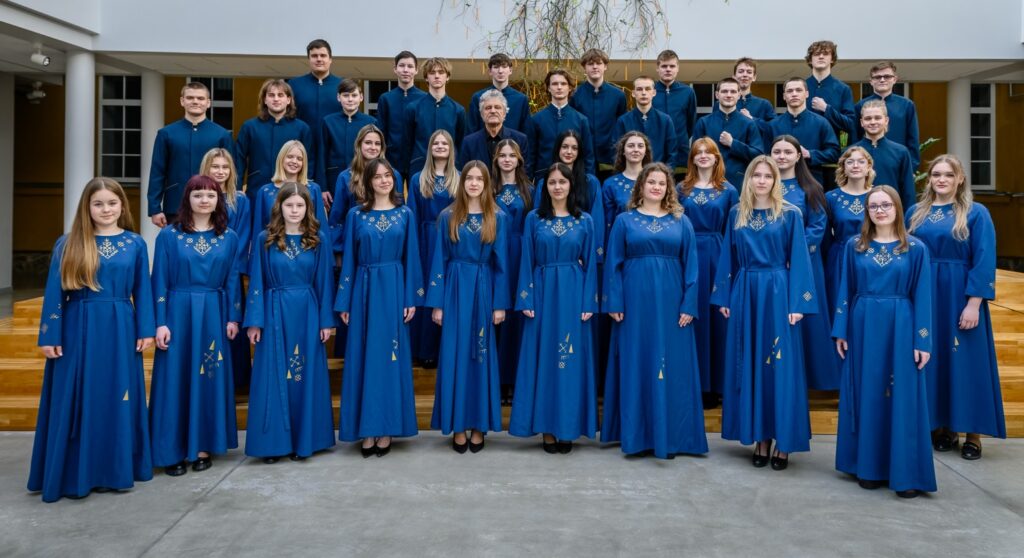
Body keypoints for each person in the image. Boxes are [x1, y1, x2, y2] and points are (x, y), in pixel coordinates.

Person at [30, 177, 155, 502]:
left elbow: (143, 289)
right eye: (98, 204)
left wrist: (146, 329)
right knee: (77, 396)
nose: (106, 209)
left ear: (122, 206)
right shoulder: (68, 243)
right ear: (87, 207)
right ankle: (75, 472)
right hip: (77, 328)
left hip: (120, 327)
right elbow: (54, 293)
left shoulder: (135, 243)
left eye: (112, 203)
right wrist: (50, 334)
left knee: (116, 394)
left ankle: (114, 469)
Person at [711, 156, 816, 471]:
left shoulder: (789, 214)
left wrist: (798, 304)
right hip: (745, 290)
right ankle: (761, 437)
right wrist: (724, 295)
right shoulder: (737, 213)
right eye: (756, 175)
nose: (761, 181)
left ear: (775, 181)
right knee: (752, 362)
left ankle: (784, 440)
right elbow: (727, 256)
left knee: (780, 366)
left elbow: (800, 259)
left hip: (777, 291)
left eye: (767, 176)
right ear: (748, 179)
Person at [833, 185, 935, 498]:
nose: (880, 210)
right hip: (862, 324)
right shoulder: (855, 246)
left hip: (901, 324)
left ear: (897, 208)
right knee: (867, 392)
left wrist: (923, 341)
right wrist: (841, 330)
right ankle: (868, 467)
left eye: (886, 205)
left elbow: (923, 296)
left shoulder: (915, 248)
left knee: (902, 395)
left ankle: (905, 472)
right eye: (874, 206)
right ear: (867, 211)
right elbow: (845, 290)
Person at [602, 162, 707, 458]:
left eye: (662, 183)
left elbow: (692, 266)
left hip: (673, 304)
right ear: (641, 186)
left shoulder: (681, 221)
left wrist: (689, 304)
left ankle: (672, 436)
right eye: (651, 182)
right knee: (637, 361)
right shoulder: (624, 221)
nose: (657, 187)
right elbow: (613, 264)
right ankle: (637, 437)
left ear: (668, 188)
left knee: (673, 366)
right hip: (634, 304)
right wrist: (615, 301)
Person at [907, 155, 1004, 459]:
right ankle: (943, 427)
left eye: (949, 175)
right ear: (929, 179)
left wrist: (974, 303)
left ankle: (972, 434)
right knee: (933, 359)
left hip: (959, 294)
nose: (942, 180)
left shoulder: (976, 213)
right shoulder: (915, 213)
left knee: (966, 362)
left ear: (960, 178)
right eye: (936, 174)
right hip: (925, 293)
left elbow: (984, 258)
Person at [150, 175, 241, 476]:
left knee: (208, 376)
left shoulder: (228, 237)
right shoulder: (169, 236)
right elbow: (159, 280)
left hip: (214, 313)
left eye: (210, 195)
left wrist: (232, 317)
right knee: (175, 379)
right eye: (198, 195)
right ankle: (172, 449)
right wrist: (160, 322)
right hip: (177, 313)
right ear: (187, 199)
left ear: (218, 200)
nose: (204, 200)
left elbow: (232, 280)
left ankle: (203, 445)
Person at [336, 158, 424, 458]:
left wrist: (411, 298)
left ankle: (386, 427)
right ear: (368, 182)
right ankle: (366, 428)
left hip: (394, 288)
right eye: (378, 176)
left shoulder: (405, 214)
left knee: (389, 357)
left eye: (388, 175)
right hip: (364, 288)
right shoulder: (356, 215)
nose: (384, 180)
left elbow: (412, 257)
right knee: (364, 358)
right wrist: (345, 300)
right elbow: (349, 259)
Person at [509, 162, 598, 452]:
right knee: (544, 359)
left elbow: (591, 265)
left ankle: (567, 427)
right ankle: (547, 428)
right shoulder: (534, 219)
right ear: (545, 187)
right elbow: (526, 259)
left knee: (569, 360)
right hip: (542, 290)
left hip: (573, 292)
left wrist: (589, 301)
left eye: (562, 182)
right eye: (552, 182)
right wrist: (526, 298)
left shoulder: (584, 220)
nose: (557, 187)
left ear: (571, 186)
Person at [244, 183, 336, 463]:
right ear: (279, 207)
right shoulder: (265, 239)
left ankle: (304, 440)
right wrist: (255, 321)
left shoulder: (318, 239)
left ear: (308, 208)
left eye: (300, 205)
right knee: (273, 375)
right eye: (289, 205)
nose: (294, 210)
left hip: (307, 311)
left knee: (303, 374)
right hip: (274, 310)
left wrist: (325, 321)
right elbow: (257, 281)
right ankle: (273, 444)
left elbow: (324, 282)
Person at [426, 161, 510, 453]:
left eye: (479, 179)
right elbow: (439, 261)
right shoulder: (448, 216)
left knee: (481, 354)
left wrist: (499, 305)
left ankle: (478, 424)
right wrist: (437, 304)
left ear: (487, 184)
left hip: (483, 286)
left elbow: (502, 264)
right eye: (469, 178)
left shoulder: (498, 217)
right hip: (455, 287)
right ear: (462, 183)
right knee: (455, 354)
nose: (474, 183)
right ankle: (458, 424)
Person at [770, 135, 839, 391]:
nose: (782, 156)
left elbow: (817, 228)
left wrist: (794, 256)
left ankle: (811, 379)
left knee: (807, 320)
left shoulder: (810, 188)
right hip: (772, 264)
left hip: (804, 265)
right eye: (777, 151)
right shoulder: (763, 184)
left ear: (798, 156)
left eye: (788, 152)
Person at [678, 138, 739, 407]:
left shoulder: (728, 190)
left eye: (708, 152)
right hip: (688, 253)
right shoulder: (681, 189)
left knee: (717, 319)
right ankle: (695, 383)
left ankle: (718, 384)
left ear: (717, 158)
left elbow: (733, 229)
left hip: (717, 254)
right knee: (692, 316)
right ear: (692, 158)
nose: (703, 156)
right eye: (698, 152)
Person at [199, 148, 253, 392]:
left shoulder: (239, 200)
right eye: (215, 166)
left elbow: (242, 237)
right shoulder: (198, 195)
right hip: (203, 273)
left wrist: (228, 266)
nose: (220, 171)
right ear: (206, 168)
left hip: (230, 273)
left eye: (225, 167)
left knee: (232, 324)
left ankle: (236, 381)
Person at [407, 130, 460, 368]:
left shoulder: (459, 178)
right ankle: (425, 350)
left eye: (444, 143)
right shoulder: (418, 179)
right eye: (435, 143)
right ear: (429, 148)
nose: (440, 146)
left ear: (451, 149)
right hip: (426, 240)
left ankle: (446, 349)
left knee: (447, 290)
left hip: (452, 239)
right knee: (426, 291)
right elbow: (412, 216)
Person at [148, 82, 233, 227]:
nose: (195, 101)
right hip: (176, 203)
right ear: (182, 101)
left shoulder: (222, 134)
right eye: (190, 98)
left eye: (200, 98)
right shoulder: (166, 134)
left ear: (208, 103)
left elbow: (230, 171)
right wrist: (154, 208)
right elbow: (157, 172)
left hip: (213, 205)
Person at [491, 139, 535, 404]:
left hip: (520, 254)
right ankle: (497, 381)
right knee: (497, 314)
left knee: (517, 318)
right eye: (502, 155)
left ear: (519, 159)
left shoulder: (529, 190)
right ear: (496, 160)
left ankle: (516, 380)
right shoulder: (489, 188)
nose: (507, 159)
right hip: (495, 254)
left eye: (512, 155)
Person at [327, 124, 404, 257]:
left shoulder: (393, 176)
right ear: (359, 145)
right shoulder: (345, 177)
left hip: (388, 244)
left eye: (377, 143)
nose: (373, 147)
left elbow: (400, 211)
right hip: (356, 243)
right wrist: (338, 251)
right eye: (368, 143)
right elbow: (337, 218)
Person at [533, 130, 605, 262]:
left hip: (579, 250)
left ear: (579, 152)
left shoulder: (590, 183)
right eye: (565, 147)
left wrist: (591, 256)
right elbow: (538, 221)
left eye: (574, 148)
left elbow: (596, 222)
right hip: (550, 251)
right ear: (558, 149)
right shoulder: (544, 183)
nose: (569, 152)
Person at [235, 79, 313, 198]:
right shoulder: (249, 127)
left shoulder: (302, 128)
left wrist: (305, 187)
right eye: (271, 95)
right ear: (265, 100)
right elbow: (239, 160)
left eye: (280, 95)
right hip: (257, 188)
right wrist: (237, 188)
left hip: (292, 191)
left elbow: (309, 161)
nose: (276, 99)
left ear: (288, 100)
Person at [825, 146, 876, 318]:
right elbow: (825, 235)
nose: (855, 165)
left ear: (868, 167)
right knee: (839, 306)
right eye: (850, 162)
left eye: (861, 161)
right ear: (843, 167)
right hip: (840, 257)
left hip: (871, 256)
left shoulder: (878, 195)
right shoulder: (831, 197)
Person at [691, 77, 765, 188]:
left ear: (739, 95)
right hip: (707, 183)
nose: (729, 95)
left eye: (733, 92)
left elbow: (758, 155)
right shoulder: (704, 122)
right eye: (724, 91)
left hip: (739, 184)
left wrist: (733, 144)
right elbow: (694, 154)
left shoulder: (748, 124)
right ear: (717, 95)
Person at [401, 57, 467, 179]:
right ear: (426, 77)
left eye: (441, 72)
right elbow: (407, 143)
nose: (437, 76)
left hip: (450, 171)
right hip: (419, 168)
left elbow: (460, 143)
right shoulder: (413, 108)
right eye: (432, 73)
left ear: (447, 77)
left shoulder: (458, 110)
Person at [769, 77, 840, 185]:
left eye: (798, 90)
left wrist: (810, 154)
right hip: (779, 183)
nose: (794, 94)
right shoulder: (772, 125)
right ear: (784, 96)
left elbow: (834, 153)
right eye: (789, 91)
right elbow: (766, 156)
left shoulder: (821, 123)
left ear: (807, 94)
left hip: (812, 183)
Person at [318, 78, 379, 205]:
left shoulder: (371, 122)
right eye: (346, 95)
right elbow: (322, 155)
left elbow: (376, 154)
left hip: (363, 179)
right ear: (338, 97)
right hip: (334, 179)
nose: (350, 99)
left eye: (354, 95)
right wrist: (323, 187)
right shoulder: (328, 122)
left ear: (361, 97)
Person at [529, 69, 596, 180]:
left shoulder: (581, 120)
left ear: (569, 88)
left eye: (563, 84)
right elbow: (530, 155)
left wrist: (589, 180)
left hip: (574, 179)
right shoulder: (536, 119)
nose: (559, 87)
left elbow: (588, 156)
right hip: (544, 179)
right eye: (555, 84)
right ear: (548, 88)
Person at [289, 38, 342, 176]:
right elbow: (288, 117)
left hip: (333, 151)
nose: (319, 59)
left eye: (323, 55)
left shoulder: (342, 86)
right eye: (314, 56)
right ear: (309, 59)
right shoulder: (294, 85)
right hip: (301, 150)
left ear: (330, 59)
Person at [569, 48, 627, 177]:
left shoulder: (618, 95)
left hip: (611, 158)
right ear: (584, 67)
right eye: (590, 64)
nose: (595, 67)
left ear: (605, 66)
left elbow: (622, 125)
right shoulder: (575, 95)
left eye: (599, 63)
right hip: (582, 158)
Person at [251, 140, 328, 235]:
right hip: (273, 242)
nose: (294, 161)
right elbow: (258, 228)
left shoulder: (313, 189)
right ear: (281, 158)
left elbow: (321, 227)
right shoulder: (265, 191)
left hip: (306, 243)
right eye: (290, 157)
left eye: (299, 159)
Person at [851, 100, 916, 209]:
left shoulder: (901, 152)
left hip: (891, 212)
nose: (873, 122)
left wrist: (909, 217)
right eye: (868, 118)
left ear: (886, 120)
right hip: (858, 212)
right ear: (861, 122)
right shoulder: (851, 152)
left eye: (877, 118)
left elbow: (908, 192)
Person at [856, 61, 921, 169]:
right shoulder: (860, 106)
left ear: (894, 79)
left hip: (898, 163)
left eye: (887, 76)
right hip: (867, 164)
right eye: (877, 77)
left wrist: (911, 168)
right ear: (871, 81)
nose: (882, 80)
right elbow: (856, 136)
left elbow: (913, 139)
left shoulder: (907, 105)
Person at [377, 51, 427, 178]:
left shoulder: (425, 99)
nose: (405, 70)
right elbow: (381, 132)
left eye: (410, 66)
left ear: (416, 70)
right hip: (391, 160)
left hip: (418, 160)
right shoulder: (385, 99)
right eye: (402, 65)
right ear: (395, 69)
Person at [458, 89, 530, 174]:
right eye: (488, 108)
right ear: (481, 114)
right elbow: (464, 174)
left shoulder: (520, 140)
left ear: (504, 113)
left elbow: (524, 174)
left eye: (497, 107)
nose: (493, 111)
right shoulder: (469, 143)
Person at [612, 75, 676, 169]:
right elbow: (617, 152)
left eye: (647, 89)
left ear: (654, 93)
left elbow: (672, 153)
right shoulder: (623, 121)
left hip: (658, 173)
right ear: (633, 93)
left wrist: (664, 174)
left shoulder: (665, 120)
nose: (644, 93)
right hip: (631, 173)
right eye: (639, 89)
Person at [652, 50, 697, 174]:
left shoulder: (687, 92)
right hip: (654, 154)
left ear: (677, 68)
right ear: (657, 68)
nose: (668, 69)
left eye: (672, 66)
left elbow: (691, 123)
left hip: (680, 154)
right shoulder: (649, 91)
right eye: (664, 66)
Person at [603, 132, 653, 242]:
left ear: (645, 152)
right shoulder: (610, 184)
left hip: (650, 241)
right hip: (620, 240)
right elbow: (607, 221)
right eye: (631, 146)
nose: (636, 150)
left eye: (640, 146)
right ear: (623, 151)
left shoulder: (655, 181)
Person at [805, 41, 856, 143]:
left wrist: (826, 109)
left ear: (832, 59)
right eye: (816, 54)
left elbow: (850, 124)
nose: (821, 57)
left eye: (825, 54)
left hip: (832, 147)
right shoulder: (800, 87)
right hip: (804, 146)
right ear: (810, 60)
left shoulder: (843, 89)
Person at [467, 53, 531, 135]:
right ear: (490, 71)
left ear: (510, 70)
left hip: (513, 142)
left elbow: (527, 133)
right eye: (496, 67)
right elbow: (471, 131)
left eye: (504, 67)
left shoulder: (521, 99)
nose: (500, 71)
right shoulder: (478, 97)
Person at [730, 57, 776, 148]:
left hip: (757, 154)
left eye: (749, 72)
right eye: (741, 71)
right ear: (734, 76)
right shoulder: (722, 104)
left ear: (754, 77)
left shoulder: (764, 104)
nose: (745, 74)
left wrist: (752, 119)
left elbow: (774, 129)